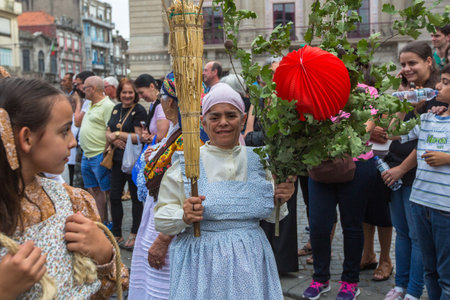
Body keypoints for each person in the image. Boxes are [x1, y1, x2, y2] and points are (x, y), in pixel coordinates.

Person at [154, 82, 295, 299]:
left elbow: (269, 215)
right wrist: (183, 215)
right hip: (202, 262)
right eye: (215, 117)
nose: (223, 123)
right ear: (203, 121)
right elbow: (162, 217)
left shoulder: (259, 160)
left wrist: (280, 200)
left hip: (251, 257)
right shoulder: (187, 163)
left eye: (231, 115)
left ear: (242, 119)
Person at [0, 77, 129, 299]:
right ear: (27, 138)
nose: (73, 142)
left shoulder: (74, 201)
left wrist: (104, 253)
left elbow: (110, 290)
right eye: (64, 131)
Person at [382, 41, 443, 300]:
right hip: (395, 170)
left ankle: (414, 291)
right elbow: (393, 131)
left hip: (416, 173)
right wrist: (401, 96)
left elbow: (427, 143)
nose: (406, 68)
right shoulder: (409, 91)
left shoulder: (438, 95)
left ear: (429, 61)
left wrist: (400, 170)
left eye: (412, 63)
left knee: (418, 237)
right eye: (403, 64)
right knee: (402, 233)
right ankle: (400, 285)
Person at [129, 72, 185, 300]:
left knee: (166, 284)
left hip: (170, 226)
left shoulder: (188, 136)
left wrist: (163, 239)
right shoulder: (175, 129)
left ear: (170, 101)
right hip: (156, 214)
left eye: (162, 96)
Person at [106, 78, 146, 250]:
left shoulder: (139, 110)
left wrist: (116, 135)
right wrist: (113, 137)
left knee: (136, 198)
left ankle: (135, 233)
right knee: (114, 196)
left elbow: (139, 137)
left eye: (130, 92)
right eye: (124, 92)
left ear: (135, 94)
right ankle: (116, 233)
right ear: (119, 93)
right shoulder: (116, 109)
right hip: (116, 160)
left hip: (133, 161)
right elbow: (108, 130)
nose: (127, 95)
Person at [79, 76, 115, 223]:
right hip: (87, 155)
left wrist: (106, 152)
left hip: (99, 154)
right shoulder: (90, 104)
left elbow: (110, 130)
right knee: (94, 190)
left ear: (93, 89)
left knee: (107, 191)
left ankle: (112, 223)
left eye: (85, 88)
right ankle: (102, 222)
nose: (83, 91)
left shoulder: (107, 105)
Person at [135, 74, 170, 144]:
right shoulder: (154, 104)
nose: (140, 97)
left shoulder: (161, 106)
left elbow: (161, 137)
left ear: (152, 86)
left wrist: (148, 137)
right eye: (138, 94)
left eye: (141, 93)